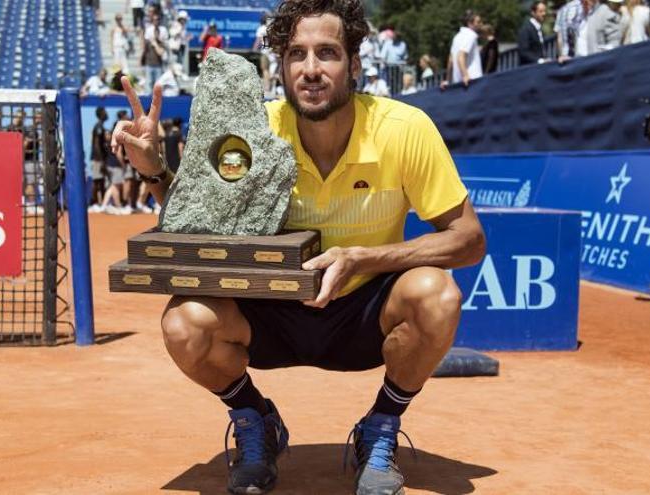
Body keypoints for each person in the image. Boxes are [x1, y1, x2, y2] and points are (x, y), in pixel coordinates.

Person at [110, 0, 485, 493]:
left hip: (364, 314)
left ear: (353, 64)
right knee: (184, 323)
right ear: (281, 66)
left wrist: (364, 258)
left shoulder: (405, 129)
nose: (311, 70)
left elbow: (469, 239)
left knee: (437, 296)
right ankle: (255, 420)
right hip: (271, 310)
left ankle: (381, 426)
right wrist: (155, 169)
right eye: (296, 54)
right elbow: (201, 219)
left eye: (327, 53)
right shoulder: (256, 130)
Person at [445, 10, 483, 87]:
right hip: (472, 81)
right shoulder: (471, 35)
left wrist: (447, 81)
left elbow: (451, 61)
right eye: (478, 22)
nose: (481, 24)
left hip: (459, 84)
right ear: (470, 23)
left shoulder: (457, 37)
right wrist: (465, 76)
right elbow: (460, 56)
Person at [89, 107, 110, 210]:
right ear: (101, 114)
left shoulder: (101, 127)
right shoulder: (98, 127)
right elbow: (96, 144)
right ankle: (93, 203)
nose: (106, 113)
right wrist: (101, 160)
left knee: (101, 181)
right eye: (104, 112)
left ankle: (101, 203)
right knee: (97, 181)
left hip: (100, 159)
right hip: (97, 159)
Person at [143, 13, 168, 90]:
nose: (156, 21)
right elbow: (146, 44)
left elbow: (164, 44)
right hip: (149, 61)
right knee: (149, 83)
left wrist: (157, 41)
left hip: (159, 63)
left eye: (157, 19)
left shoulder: (163, 30)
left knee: (158, 84)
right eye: (154, 20)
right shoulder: (149, 30)